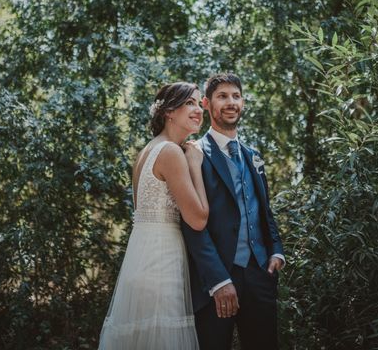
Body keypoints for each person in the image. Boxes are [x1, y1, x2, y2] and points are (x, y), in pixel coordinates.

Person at [99, 82, 209, 350]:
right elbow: (198, 218)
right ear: (169, 112)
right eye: (189, 103)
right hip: (162, 263)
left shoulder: (148, 150)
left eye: (199, 104)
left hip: (141, 258)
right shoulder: (171, 152)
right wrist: (195, 164)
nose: (198, 110)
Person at [182, 73, 285, 350]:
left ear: (243, 103)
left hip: (260, 274)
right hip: (215, 280)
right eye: (222, 96)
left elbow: (264, 209)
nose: (231, 102)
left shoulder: (252, 154)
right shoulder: (194, 154)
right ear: (206, 103)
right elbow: (192, 225)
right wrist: (218, 281)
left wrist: (276, 250)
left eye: (236, 96)